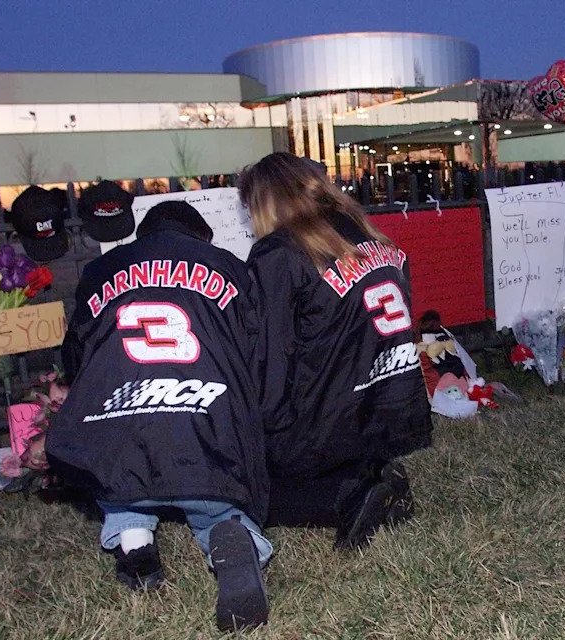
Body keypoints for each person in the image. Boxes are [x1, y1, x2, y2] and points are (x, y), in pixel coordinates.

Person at [46, 200, 270, 632]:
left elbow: (76, 359)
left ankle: (135, 541)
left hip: (124, 431)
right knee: (216, 499)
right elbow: (256, 354)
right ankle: (231, 534)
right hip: (205, 429)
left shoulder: (99, 271)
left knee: (118, 477)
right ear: (201, 237)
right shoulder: (230, 267)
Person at [237, 152, 433, 549]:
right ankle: (369, 476)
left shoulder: (280, 252)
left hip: (329, 418)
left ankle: (348, 496)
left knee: (242, 494)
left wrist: (259, 432)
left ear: (267, 201)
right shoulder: (370, 237)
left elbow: (270, 358)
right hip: (387, 408)